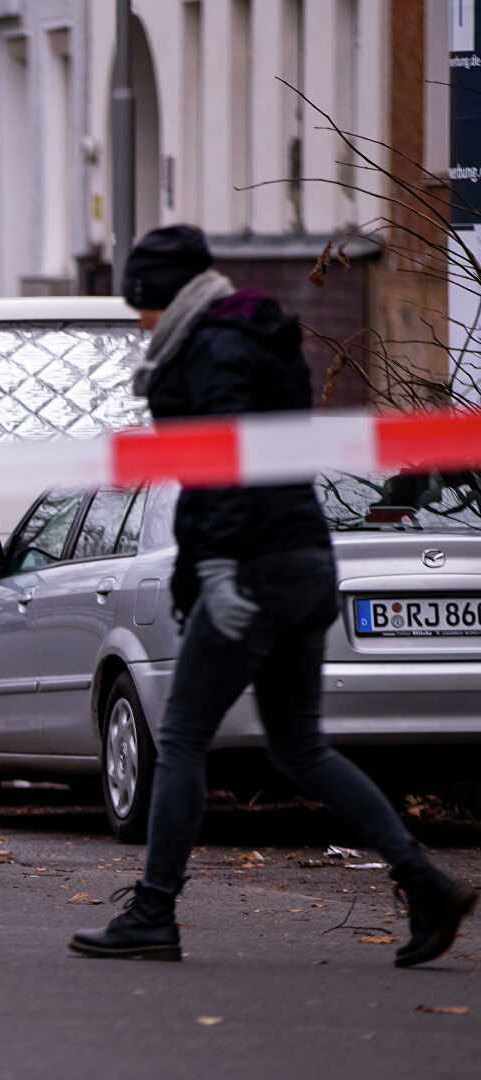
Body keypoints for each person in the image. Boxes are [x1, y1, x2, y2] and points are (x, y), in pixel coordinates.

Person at [71, 225, 476, 966]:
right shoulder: (253, 334)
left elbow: (226, 461)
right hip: (303, 561)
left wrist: (218, 566)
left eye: (141, 305)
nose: (139, 321)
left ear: (160, 296)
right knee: (298, 746)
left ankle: (154, 913)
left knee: (184, 735)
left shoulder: (215, 349)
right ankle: (424, 881)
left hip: (253, 568)